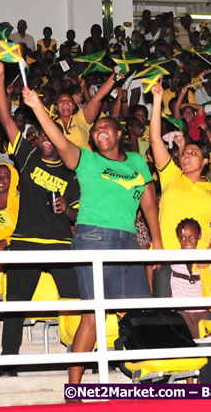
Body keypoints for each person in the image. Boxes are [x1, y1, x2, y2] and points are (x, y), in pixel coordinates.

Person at [20, 76, 160, 385]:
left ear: (120, 133)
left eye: (106, 126)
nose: (99, 131)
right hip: (93, 238)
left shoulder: (137, 161)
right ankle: (73, 387)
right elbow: (60, 141)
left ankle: (148, 376)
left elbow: (149, 204)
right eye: (95, 130)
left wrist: (158, 243)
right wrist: (38, 107)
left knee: (140, 309)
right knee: (93, 316)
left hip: (128, 242)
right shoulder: (87, 161)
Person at [0, 61, 81, 376]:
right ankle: (8, 362)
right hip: (25, 242)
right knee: (16, 304)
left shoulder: (71, 172)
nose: (45, 139)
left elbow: (77, 213)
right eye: (41, 134)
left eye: (50, 135)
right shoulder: (27, 158)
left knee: (78, 302)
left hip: (60, 244)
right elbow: (5, 118)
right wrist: (1, 78)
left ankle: (80, 358)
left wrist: (67, 210)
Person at [150, 82, 211, 255]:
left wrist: (207, 258)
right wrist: (157, 100)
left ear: (205, 161)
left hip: (200, 259)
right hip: (165, 255)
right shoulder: (171, 175)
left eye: (193, 153)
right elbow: (155, 140)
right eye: (184, 152)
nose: (186, 155)